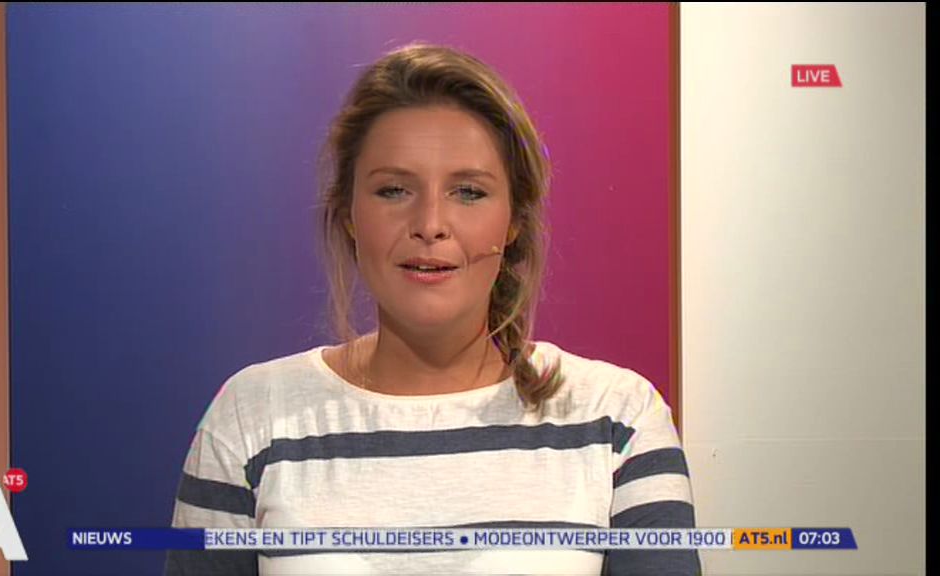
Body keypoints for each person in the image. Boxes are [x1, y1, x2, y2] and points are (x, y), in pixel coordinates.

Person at [165, 42, 699, 575]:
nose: (430, 224)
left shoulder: (617, 417)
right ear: (349, 213)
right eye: (394, 190)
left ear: (514, 219)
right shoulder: (250, 416)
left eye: (468, 192)